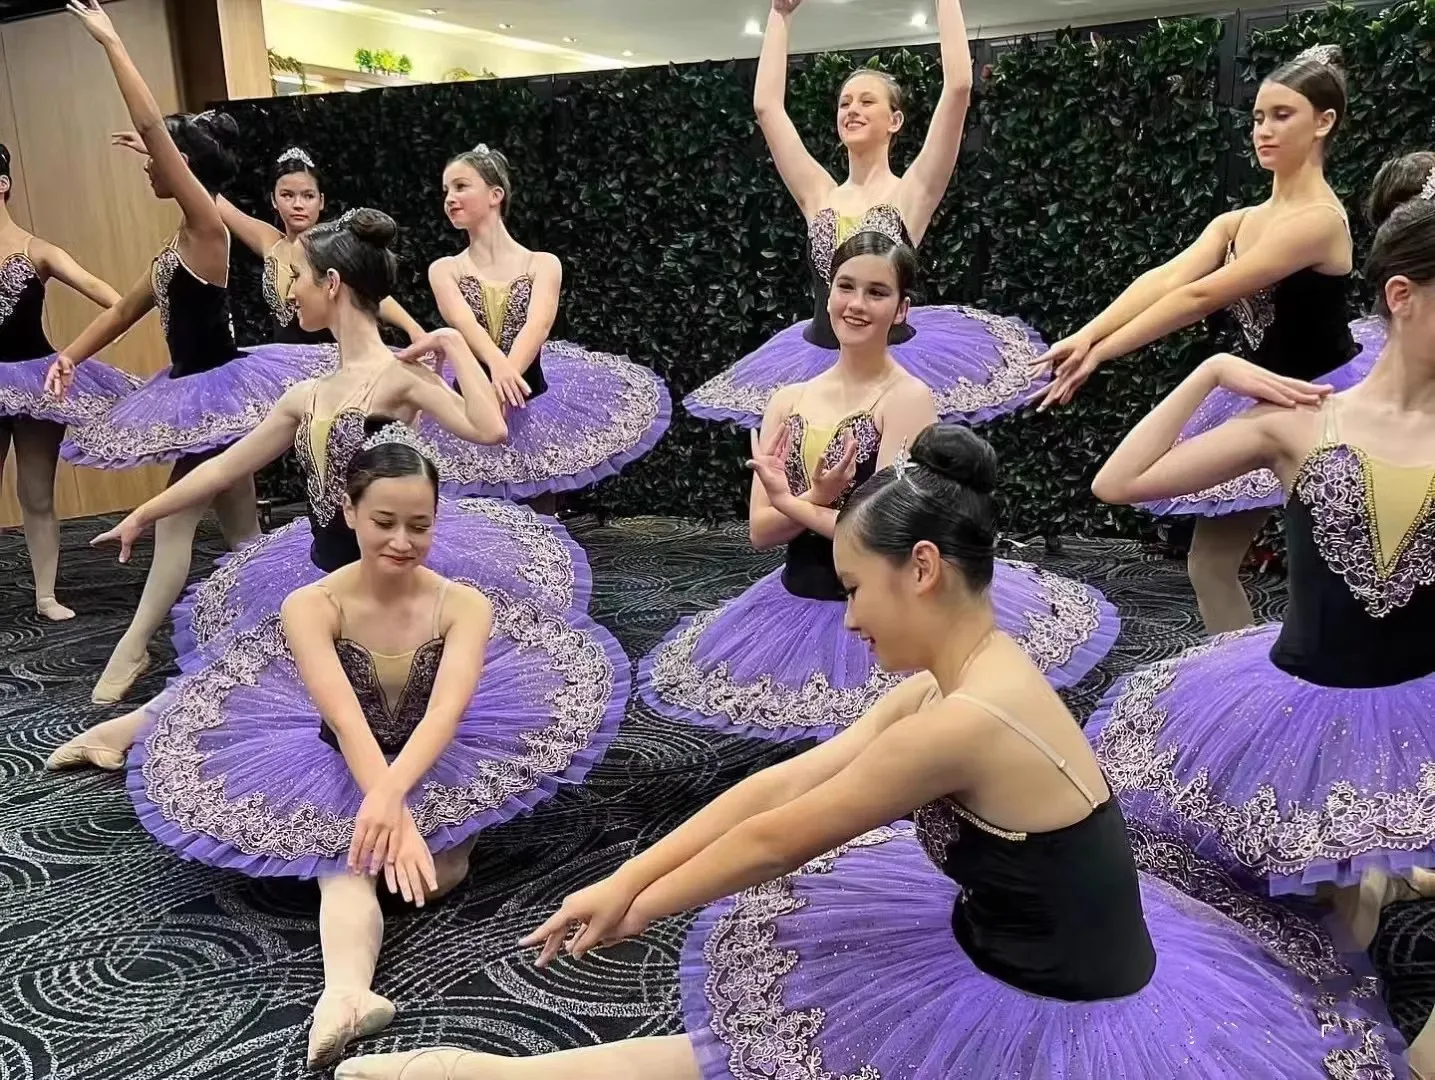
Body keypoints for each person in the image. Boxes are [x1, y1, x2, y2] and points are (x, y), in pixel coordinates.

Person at [336, 423, 1403, 1080]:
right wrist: (625, 873)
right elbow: (781, 781)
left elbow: (776, 841)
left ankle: (482, 1074)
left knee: (801, 1046)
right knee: (785, 1045)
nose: (846, 621)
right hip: (1002, 937)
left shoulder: (965, 720)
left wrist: (630, 911)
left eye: (855, 589)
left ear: (923, 568)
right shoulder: (960, 676)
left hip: (1061, 1008)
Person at [123, 435, 629, 1069]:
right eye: (384, 522)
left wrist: (400, 806)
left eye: (420, 525)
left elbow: (446, 710)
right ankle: (347, 995)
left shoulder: (461, 603)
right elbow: (343, 716)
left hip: (436, 753)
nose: (402, 541)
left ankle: (428, 848)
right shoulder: (310, 604)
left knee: (435, 876)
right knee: (348, 868)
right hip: (342, 759)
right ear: (349, 510)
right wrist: (382, 805)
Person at [1084, 186, 1435, 1063]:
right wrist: (1206, 373)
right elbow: (1119, 483)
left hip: (1419, 704)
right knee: (1323, 922)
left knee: (1359, 890)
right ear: (1404, 296)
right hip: (1302, 710)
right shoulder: (1301, 422)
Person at [46, 208, 592, 769]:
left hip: (382, 571)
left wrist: (452, 345)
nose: (291, 293)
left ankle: (130, 729)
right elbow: (222, 469)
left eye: (299, 279)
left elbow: (491, 428)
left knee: (329, 689)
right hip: (324, 564)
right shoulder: (306, 394)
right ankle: (124, 730)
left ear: (331, 284)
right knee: (259, 665)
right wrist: (143, 514)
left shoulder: (401, 378)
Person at [640, 233, 1115, 741]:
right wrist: (815, 499)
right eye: (846, 287)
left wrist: (791, 501)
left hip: (880, 610)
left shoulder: (908, 399)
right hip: (795, 598)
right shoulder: (786, 399)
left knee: (876, 752)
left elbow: (884, 535)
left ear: (902, 309)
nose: (857, 304)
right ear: (828, 295)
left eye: (877, 292)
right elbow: (761, 533)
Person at [1034, 44, 1373, 635]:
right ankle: (1245, 693)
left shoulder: (1320, 221)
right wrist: (1084, 337)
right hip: (1262, 394)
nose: (1263, 130)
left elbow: (1199, 298)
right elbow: (1164, 279)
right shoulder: (1238, 221)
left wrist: (1101, 354)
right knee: (1210, 562)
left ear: (1324, 122)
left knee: (1333, 571)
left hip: (1328, 404)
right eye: (1258, 117)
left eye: (1282, 115)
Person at [48, 0, 332, 702]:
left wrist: (114, 44)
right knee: (242, 537)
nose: (148, 168)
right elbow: (120, 308)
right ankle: (301, 638)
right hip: (198, 399)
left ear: (183, 170)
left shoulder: (207, 229)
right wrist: (71, 357)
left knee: (175, 523)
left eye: (161, 162)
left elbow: (154, 130)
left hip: (221, 395)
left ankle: (133, 648)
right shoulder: (173, 248)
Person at [684, 0, 1046, 429]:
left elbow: (959, 88)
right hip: (818, 359)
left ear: (895, 120)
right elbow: (768, 109)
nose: (851, 109)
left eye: (866, 102)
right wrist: (780, 16)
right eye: (844, 103)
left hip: (892, 362)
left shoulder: (913, 192)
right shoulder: (818, 194)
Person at [419, 144, 670, 502]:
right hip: (466, 406)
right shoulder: (445, 269)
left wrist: (507, 380)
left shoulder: (543, 264)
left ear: (495, 194)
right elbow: (464, 324)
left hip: (529, 403)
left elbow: (537, 326)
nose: (449, 198)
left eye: (460, 186)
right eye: (446, 191)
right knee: (474, 516)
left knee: (536, 509)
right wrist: (496, 375)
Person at [0, 140, 135, 620]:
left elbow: (110, 296)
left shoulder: (39, 250)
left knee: (35, 492)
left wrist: (106, 331)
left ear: (3, 185)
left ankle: (45, 595)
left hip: (36, 381)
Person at [214, 145, 425, 348]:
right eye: (287, 195)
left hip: (333, 360)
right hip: (282, 365)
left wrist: (415, 330)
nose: (298, 204)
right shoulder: (271, 242)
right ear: (273, 200)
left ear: (321, 201)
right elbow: (218, 203)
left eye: (308, 195)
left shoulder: (332, 244)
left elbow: (369, 292)